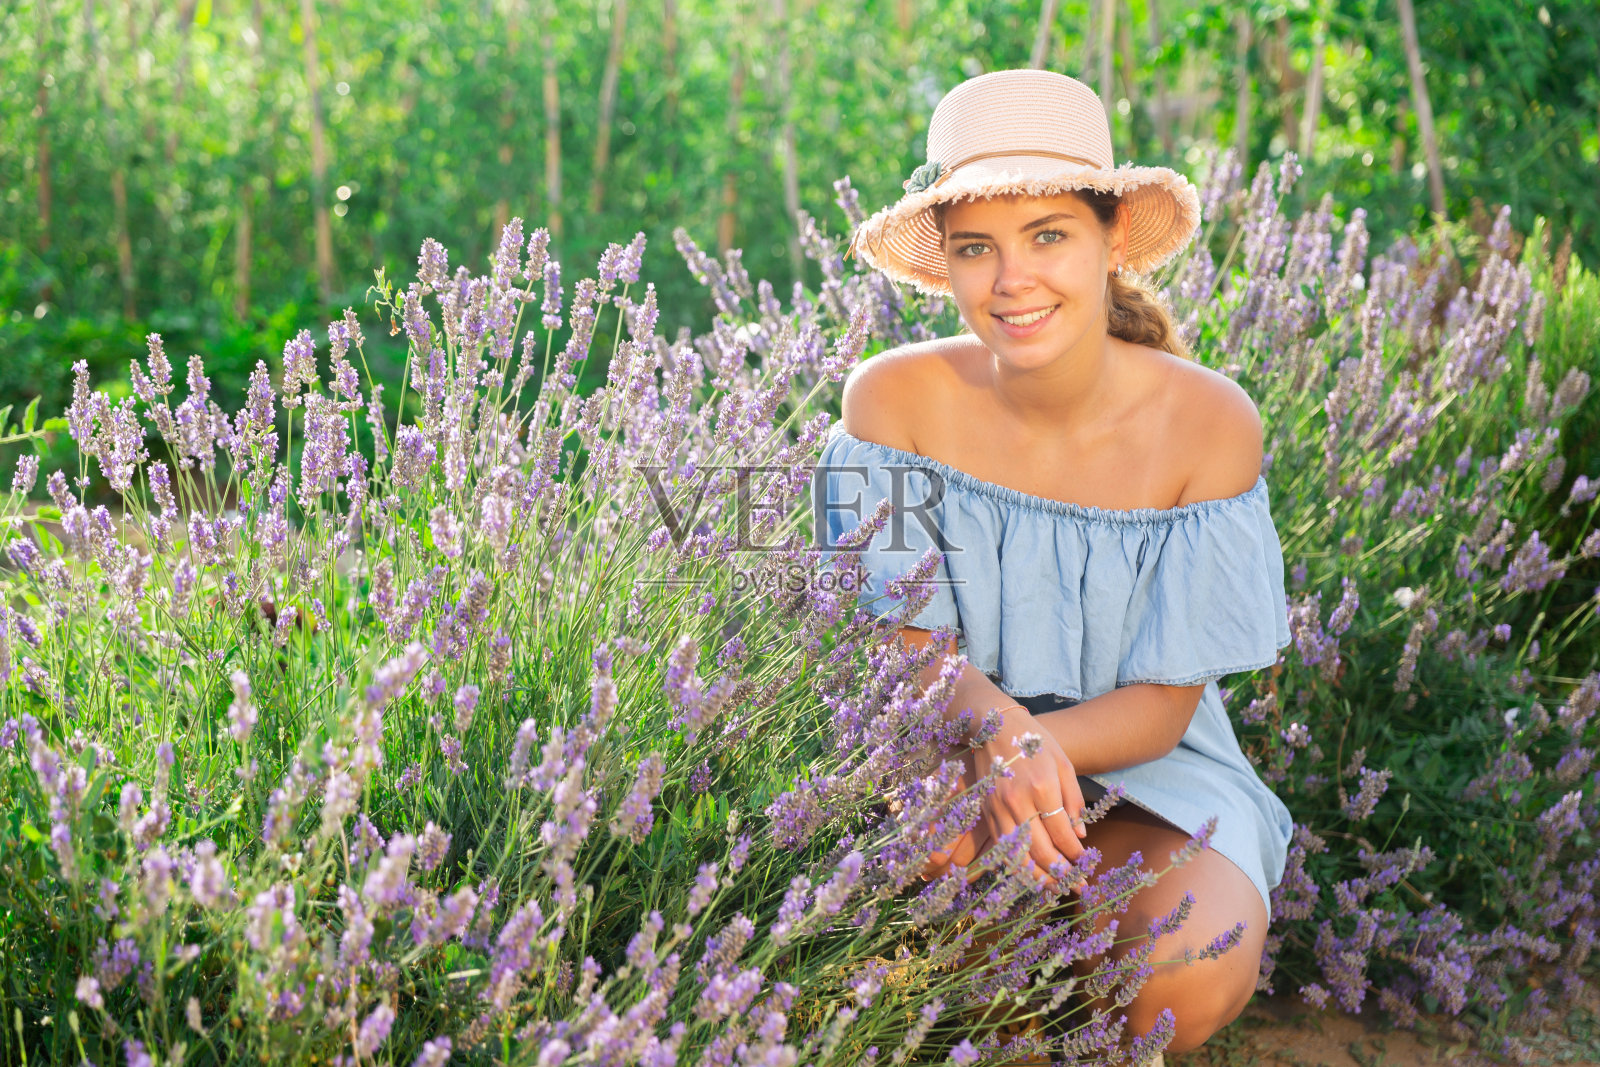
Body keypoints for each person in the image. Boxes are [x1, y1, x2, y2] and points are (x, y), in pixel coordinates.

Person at [813, 69, 1293, 1060]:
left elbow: (1163, 704)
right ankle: (1002, 998)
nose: (1010, 280)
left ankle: (1077, 985)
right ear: (942, 264)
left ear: (1111, 237)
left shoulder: (1208, 422)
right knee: (916, 890)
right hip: (938, 738)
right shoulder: (890, 404)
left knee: (1189, 962)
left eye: (1047, 235)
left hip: (1150, 766)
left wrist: (1033, 750)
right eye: (975, 247)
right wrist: (992, 732)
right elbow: (908, 650)